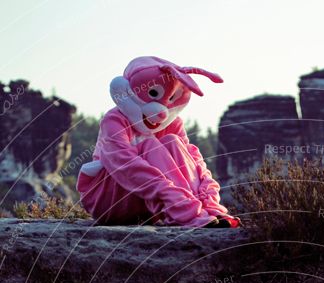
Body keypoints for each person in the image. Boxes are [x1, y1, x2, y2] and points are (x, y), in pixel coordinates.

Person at [77, 55, 240, 228]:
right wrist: (172, 196)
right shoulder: (115, 120)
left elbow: (194, 162)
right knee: (150, 145)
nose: (162, 111)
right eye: (153, 94)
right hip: (109, 201)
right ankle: (185, 211)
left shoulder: (171, 123)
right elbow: (124, 163)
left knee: (173, 142)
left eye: (170, 99)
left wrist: (209, 197)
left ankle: (203, 209)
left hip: (149, 208)